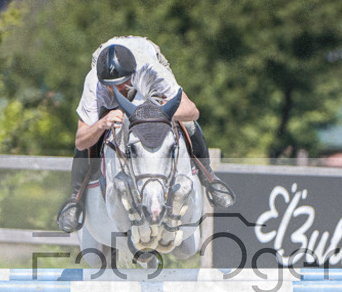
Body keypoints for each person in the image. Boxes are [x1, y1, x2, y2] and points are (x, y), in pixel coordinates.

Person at [56, 36, 235, 233]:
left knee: (187, 122)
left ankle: (209, 177)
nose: (115, 90)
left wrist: (157, 113)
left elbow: (192, 111)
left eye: (122, 84)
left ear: (132, 77)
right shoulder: (95, 83)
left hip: (148, 53)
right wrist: (100, 124)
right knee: (92, 136)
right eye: (110, 85)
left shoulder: (152, 73)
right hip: (102, 56)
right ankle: (75, 199)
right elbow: (81, 140)